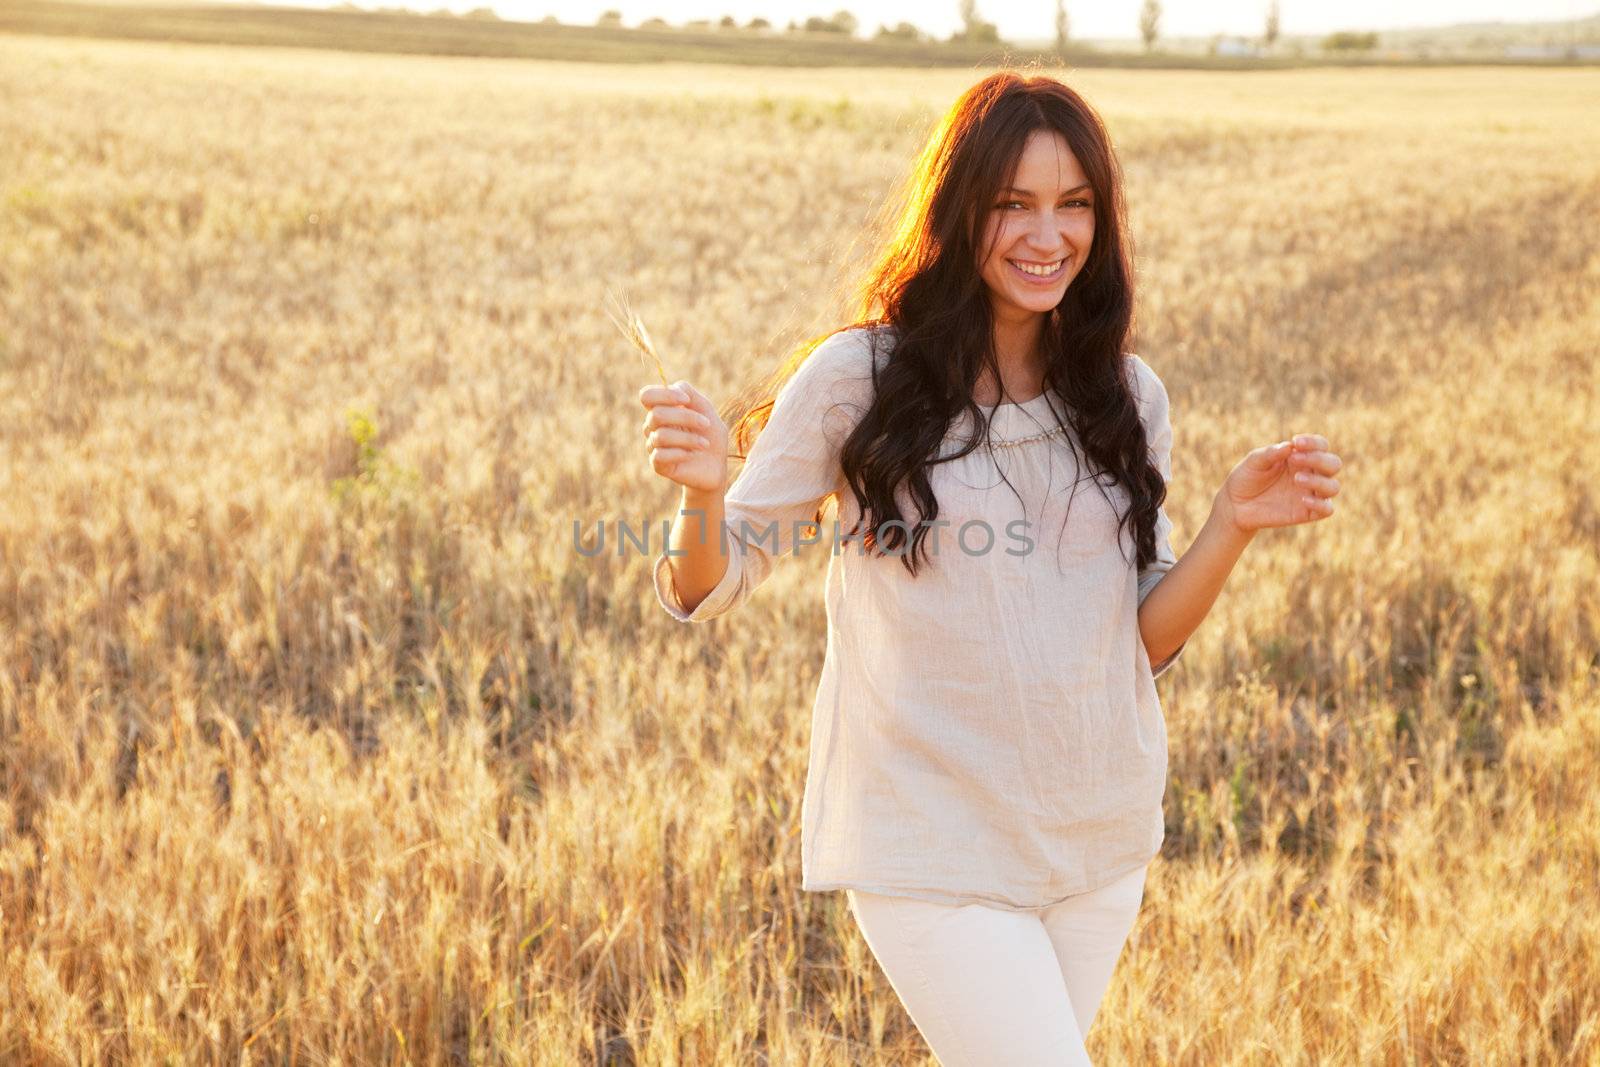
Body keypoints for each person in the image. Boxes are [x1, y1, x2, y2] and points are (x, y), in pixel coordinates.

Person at [636, 71, 1343, 1066]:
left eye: (1073, 205)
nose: (1045, 235)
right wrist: (705, 493)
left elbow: (1135, 638)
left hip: (1097, 838)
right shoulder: (857, 379)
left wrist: (1230, 522)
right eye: (1012, 203)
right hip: (930, 842)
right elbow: (702, 584)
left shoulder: (1126, 394)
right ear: (960, 208)